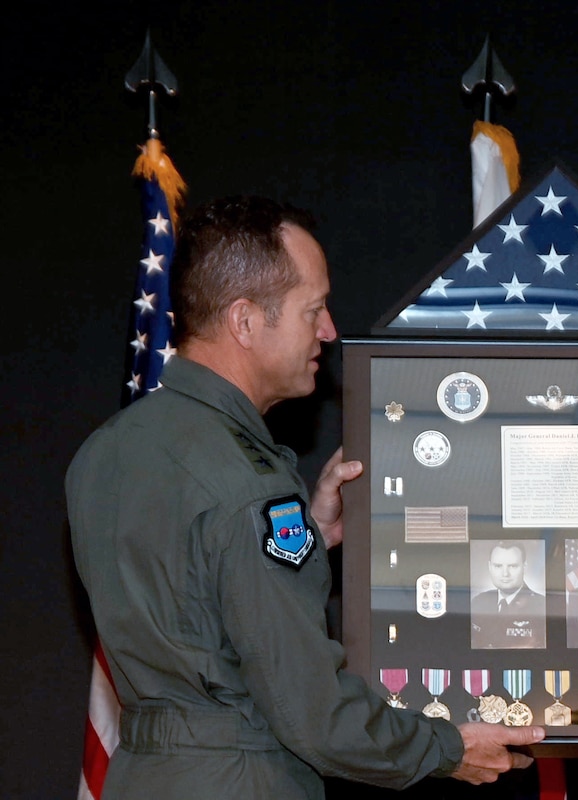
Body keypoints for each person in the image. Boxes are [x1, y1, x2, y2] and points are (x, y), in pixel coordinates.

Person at [66, 196, 544, 798]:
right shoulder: (248, 482)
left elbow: (195, 605)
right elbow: (313, 714)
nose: (329, 331)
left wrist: (309, 536)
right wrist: (446, 748)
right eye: (312, 309)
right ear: (244, 321)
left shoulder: (105, 451)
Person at [470, 541, 546, 649]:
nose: (505, 574)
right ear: (489, 566)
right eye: (498, 566)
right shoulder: (478, 602)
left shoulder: (542, 606)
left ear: (524, 567)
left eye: (513, 566)